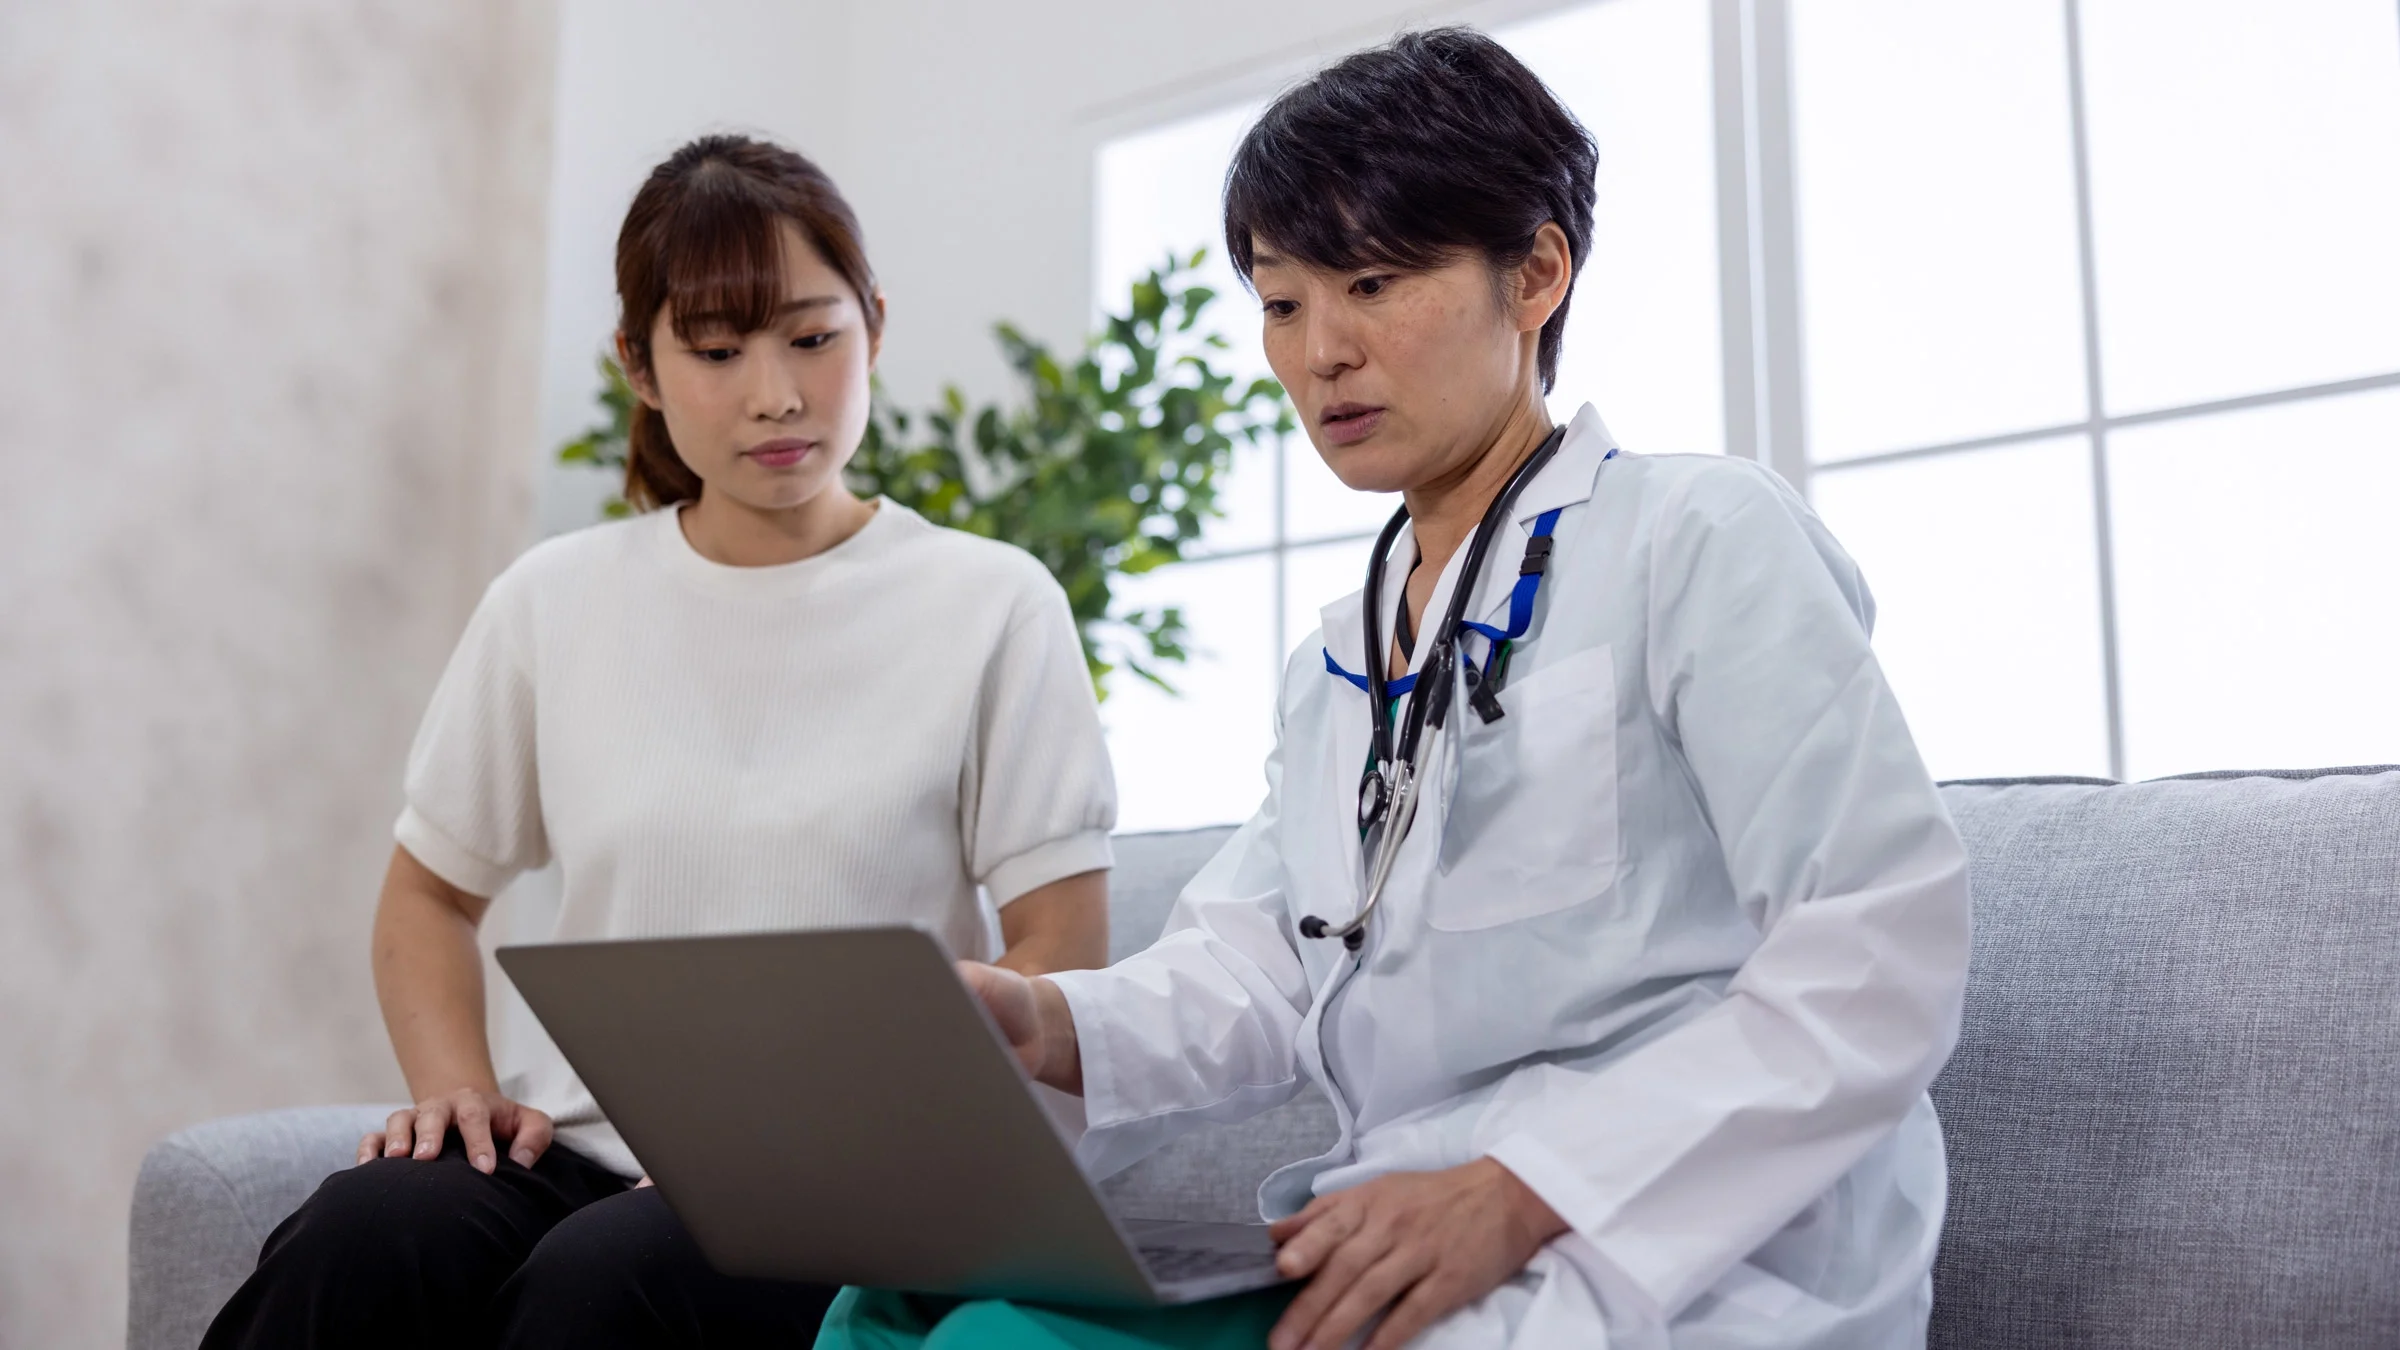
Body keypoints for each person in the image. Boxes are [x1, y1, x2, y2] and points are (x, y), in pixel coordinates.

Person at [818, 27, 1972, 1350]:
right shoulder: (1342, 659)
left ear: (1535, 272)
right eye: (1283, 301)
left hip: (1680, 1263)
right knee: (882, 1303)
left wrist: (1529, 1190)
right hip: (1405, 1245)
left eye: (1371, 281)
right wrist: (1040, 1018)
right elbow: (1262, 971)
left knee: (988, 1347)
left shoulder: (1694, 539)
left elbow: (1878, 947)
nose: (1321, 353)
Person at [201, 135, 1119, 1350]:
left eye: (811, 336)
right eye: (717, 350)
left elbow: (1061, 950)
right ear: (639, 362)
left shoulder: (993, 603)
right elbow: (424, 898)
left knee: (607, 1279)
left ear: (876, 328)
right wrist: (456, 1094)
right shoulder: (551, 602)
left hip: (854, 1186)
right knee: (364, 1235)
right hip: (577, 1151)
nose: (776, 395)